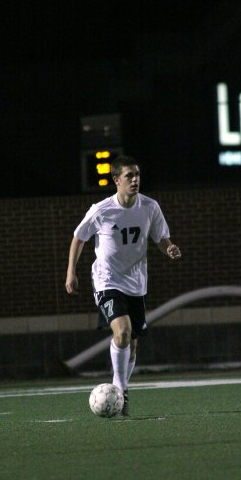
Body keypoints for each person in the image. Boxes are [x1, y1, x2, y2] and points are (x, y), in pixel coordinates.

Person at [65, 154, 181, 416]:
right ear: (116, 180)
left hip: (136, 283)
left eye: (137, 175)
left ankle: (122, 388)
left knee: (132, 342)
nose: (135, 179)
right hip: (107, 280)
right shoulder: (102, 210)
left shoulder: (150, 207)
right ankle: (120, 389)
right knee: (123, 331)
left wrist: (169, 248)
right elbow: (78, 237)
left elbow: (162, 238)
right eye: (129, 176)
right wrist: (71, 272)